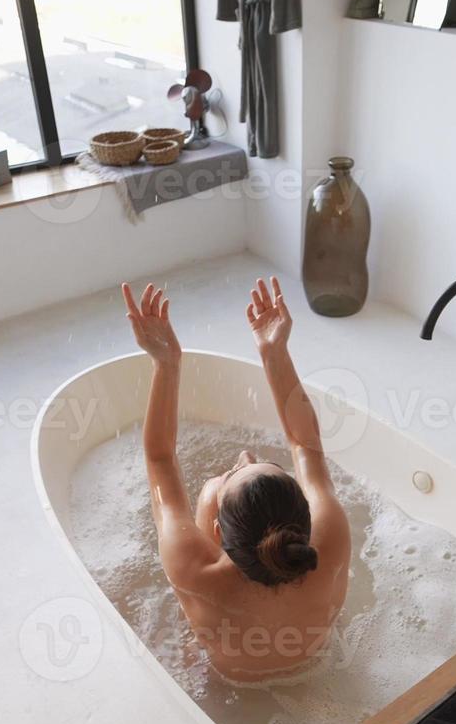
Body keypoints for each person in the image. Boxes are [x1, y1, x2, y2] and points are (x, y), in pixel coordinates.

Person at [122, 277, 351, 685]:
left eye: (235, 470)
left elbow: (159, 457)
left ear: (215, 532)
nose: (245, 455)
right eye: (255, 464)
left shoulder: (194, 572)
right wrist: (274, 351)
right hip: (317, 670)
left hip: (225, 684)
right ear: (306, 518)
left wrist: (167, 362)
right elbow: (305, 443)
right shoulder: (330, 539)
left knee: (207, 491)